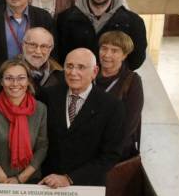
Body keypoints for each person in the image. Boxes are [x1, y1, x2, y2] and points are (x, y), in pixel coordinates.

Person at [38, 48, 124, 188]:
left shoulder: (112, 106)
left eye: (81, 67)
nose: (73, 73)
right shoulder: (47, 96)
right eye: (69, 66)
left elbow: (110, 155)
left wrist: (69, 179)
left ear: (95, 72)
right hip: (47, 183)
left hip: (87, 186)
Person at [57, 0, 147, 70]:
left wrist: (111, 74)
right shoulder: (65, 19)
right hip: (76, 81)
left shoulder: (134, 22)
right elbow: (61, 56)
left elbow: (136, 59)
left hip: (114, 83)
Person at [0, 56, 48, 184]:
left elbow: (42, 147)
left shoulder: (41, 109)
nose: (15, 84)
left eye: (21, 78)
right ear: (1, 82)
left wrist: (20, 179)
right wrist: (4, 180)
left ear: (28, 81)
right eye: (9, 78)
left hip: (30, 180)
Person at [97, 31, 144, 158]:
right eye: (104, 48)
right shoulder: (89, 74)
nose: (107, 54)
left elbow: (131, 121)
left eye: (114, 50)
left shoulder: (132, 81)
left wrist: (107, 148)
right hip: (85, 145)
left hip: (115, 150)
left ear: (124, 55)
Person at [22, 27, 63, 93]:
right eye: (33, 45)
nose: (38, 51)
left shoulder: (60, 74)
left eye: (44, 46)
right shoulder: (9, 70)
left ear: (51, 49)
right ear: (23, 45)